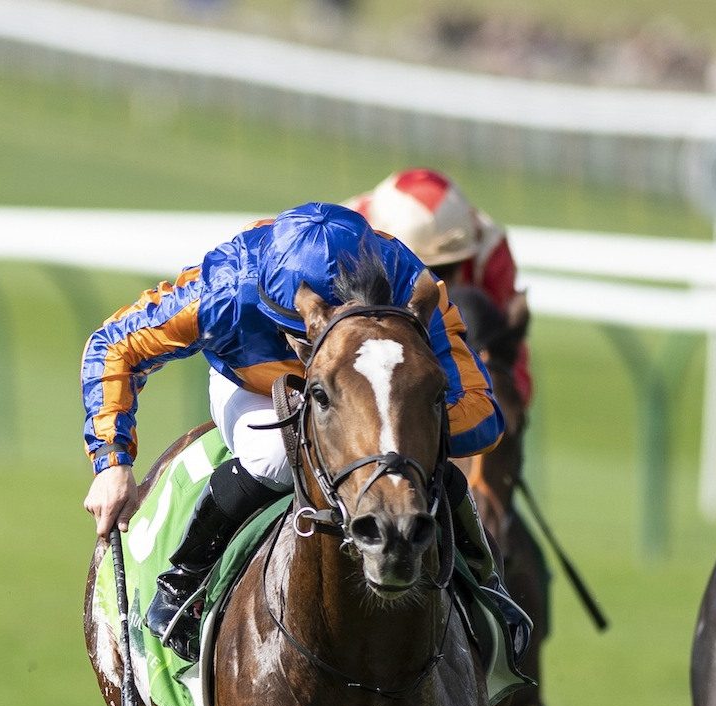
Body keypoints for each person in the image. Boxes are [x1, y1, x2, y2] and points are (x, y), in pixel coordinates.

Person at [80, 202, 530, 665]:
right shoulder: (225, 289)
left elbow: (481, 415)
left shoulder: (406, 281)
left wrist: (392, 424)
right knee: (277, 455)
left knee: (418, 462)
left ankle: (485, 583)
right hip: (259, 383)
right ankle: (185, 580)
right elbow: (114, 344)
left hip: (369, 385)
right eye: (303, 335)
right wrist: (112, 461)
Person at [349, 168, 533, 406]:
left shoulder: (490, 251)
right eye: (421, 269)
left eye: (450, 268)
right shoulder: (343, 244)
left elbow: (507, 358)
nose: (438, 286)